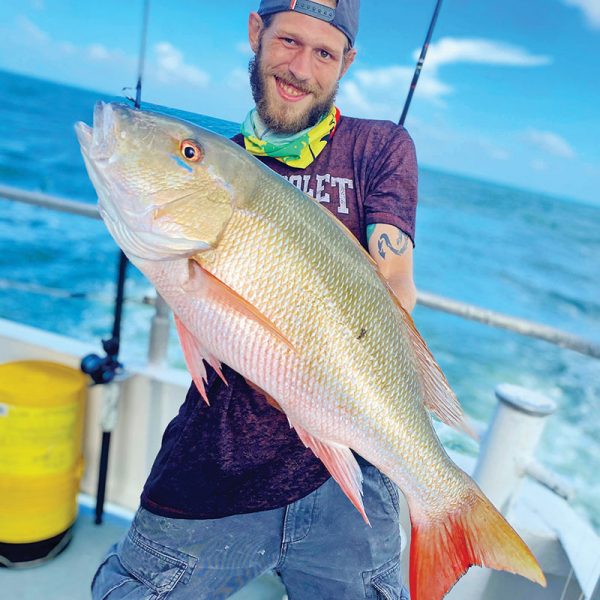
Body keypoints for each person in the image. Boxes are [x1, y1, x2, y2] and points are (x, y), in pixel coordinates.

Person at [91, 1, 417, 598]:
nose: (301, 67)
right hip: (217, 457)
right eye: (289, 41)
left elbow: (395, 289)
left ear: (347, 61)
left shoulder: (381, 147)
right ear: (255, 32)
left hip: (350, 464)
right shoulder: (226, 161)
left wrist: (317, 363)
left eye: (324, 52)